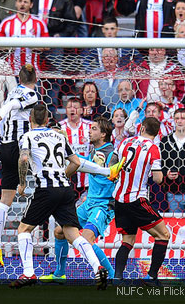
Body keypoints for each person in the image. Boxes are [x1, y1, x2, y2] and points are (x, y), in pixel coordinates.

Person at [10, 104, 109, 290]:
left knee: (24, 229)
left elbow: (23, 159)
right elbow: (77, 162)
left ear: (31, 120)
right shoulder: (58, 135)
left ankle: (29, 273)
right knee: (73, 235)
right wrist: (63, 174)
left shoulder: (28, 136)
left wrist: (22, 184)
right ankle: (98, 267)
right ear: (47, 120)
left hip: (46, 189)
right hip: (64, 189)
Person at [41, 117, 120, 282]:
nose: (89, 131)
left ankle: (111, 274)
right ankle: (59, 273)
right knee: (59, 232)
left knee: (86, 239)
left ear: (104, 134)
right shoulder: (93, 150)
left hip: (103, 205)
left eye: (94, 128)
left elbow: (110, 175)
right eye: (90, 128)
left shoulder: (111, 153)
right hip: (89, 202)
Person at [0, 64, 38, 267]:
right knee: (48, 177)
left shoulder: (12, 90)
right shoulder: (31, 95)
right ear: (35, 78)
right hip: (21, 146)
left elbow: (10, 106)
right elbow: (13, 105)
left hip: (5, 146)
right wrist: (0, 114)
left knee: (5, 199)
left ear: (19, 78)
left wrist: (1, 123)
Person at [113, 117, 171, 284]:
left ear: (142, 127)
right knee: (163, 235)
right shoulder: (153, 148)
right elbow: (158, 179)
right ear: (157, 132)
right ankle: (152, 277)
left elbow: (113, 163)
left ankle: (117, 277)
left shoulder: (125, 141)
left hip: (119, 198)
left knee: (128, 240)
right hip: (137, 199)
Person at [0, 0, 49, 69]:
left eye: (25, 2)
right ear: (16, 3)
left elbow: (47, 46)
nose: (22, 4)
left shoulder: (39, 23)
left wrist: (35, 47)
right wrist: (10, 47)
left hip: (33, 72)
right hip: (10, 72)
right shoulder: (6, 23)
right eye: (20, 1)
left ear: (31, 4)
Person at [160, 109, 185, 213]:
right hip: (173, 194)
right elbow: (160, 164)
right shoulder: (165, 141)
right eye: (177, 118)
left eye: (183, 118)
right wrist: (166, 173)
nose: (179, 121)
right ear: (173, 121)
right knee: (176, 225)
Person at [59, 97, 92, 198]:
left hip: (87, 176)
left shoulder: (90, 126)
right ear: (66, 110)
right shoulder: (60, 127)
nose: (72, 109)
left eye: (75, 107)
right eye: (69, 107)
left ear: (82, 110)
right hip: (68, 175)